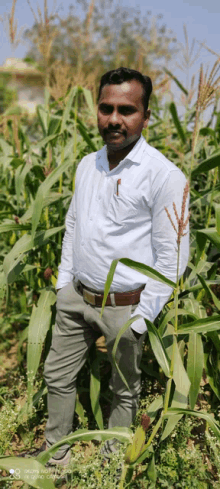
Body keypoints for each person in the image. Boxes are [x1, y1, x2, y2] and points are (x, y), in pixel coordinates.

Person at [43, 67, 189, 465]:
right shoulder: (87, 166)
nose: (114, 119)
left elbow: (173, 257)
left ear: (146, 115)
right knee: (57, 376)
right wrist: (63, 285)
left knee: (124, 388)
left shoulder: (164, 176)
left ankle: (111, 462)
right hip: (77, 296)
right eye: (106, 108)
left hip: (126, 305)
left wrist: (141, 318)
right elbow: (74, 224)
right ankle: (56, 454)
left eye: (127, 109)